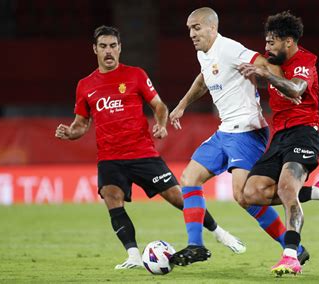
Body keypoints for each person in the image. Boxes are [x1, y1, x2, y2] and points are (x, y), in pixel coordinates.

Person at [169, 8, 319, 267]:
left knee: (246, 197)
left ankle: (295, 247)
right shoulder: (203, 54)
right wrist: (183, 104)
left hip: (247, 131)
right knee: (189, 178)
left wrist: (283, 84)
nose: (191, 33)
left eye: (196, 27)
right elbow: (204, 78)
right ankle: (196, 246)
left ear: (212, 27)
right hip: (226, 131)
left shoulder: (230, 48)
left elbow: (263, 64)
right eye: (189, 28)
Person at [54, 25, 245, 270]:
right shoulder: (85, 85)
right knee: (112, 198)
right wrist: (71, 133)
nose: (109, 51)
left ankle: (219, 232)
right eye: (103, 46)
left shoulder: (135, 75)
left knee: (179, 197)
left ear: (120, 48)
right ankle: (133, 255)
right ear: (95, 50)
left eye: (113, 46)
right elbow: (81, 124)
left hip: (142, 153)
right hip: (110, 157)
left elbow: (159, 106)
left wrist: (162, 124)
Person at [238, 11, 319, 276]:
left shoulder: (304, 61)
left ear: (288, 41)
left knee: (286, 188)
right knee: (250, 194)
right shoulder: (273, 63)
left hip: (304, 133)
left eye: (272, 42)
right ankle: (318, 193)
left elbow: (296, 89)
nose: (267, 47)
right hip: (279, 136)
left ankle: (291, 255)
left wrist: (266, 75)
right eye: (266, 41)